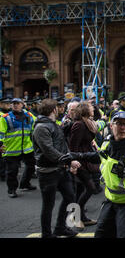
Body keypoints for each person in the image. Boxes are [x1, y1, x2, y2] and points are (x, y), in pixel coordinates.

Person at [33, 99, 98, 238]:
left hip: (60, 169)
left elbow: (62, 144)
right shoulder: (41, 127)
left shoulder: (53, 125)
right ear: (53, 110)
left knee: (70, 196)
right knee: (48, 204)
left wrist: (69, 158)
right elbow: (48, 149)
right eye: (58, 108)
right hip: (48, 172)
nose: (60, 110)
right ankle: (47, 233)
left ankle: (60, 228)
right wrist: (69, 160)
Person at [68, 101, 101, 228]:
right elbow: (73, 146)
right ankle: (75, 218)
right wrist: (73, 163)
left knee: (80, 190)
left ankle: (81, 218)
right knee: (91, 188)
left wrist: (93, 105)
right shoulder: (79, 125)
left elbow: (97, 115)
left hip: (86, 158)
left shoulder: (88, 122)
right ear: (85, 111)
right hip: (80, 161)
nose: (93, 109)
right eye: (91, 108)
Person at [0, 98, 37, 198]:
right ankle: (11, 190)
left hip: (27, 148)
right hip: (11, 149)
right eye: (13, 104)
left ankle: (25, 183)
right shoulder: (5, 118)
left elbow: (36, 125)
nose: (15, 105)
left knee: (31, 166)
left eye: (17, 103)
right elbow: (1, 133)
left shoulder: (28, 115)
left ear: (22, 105)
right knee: (12, 171)